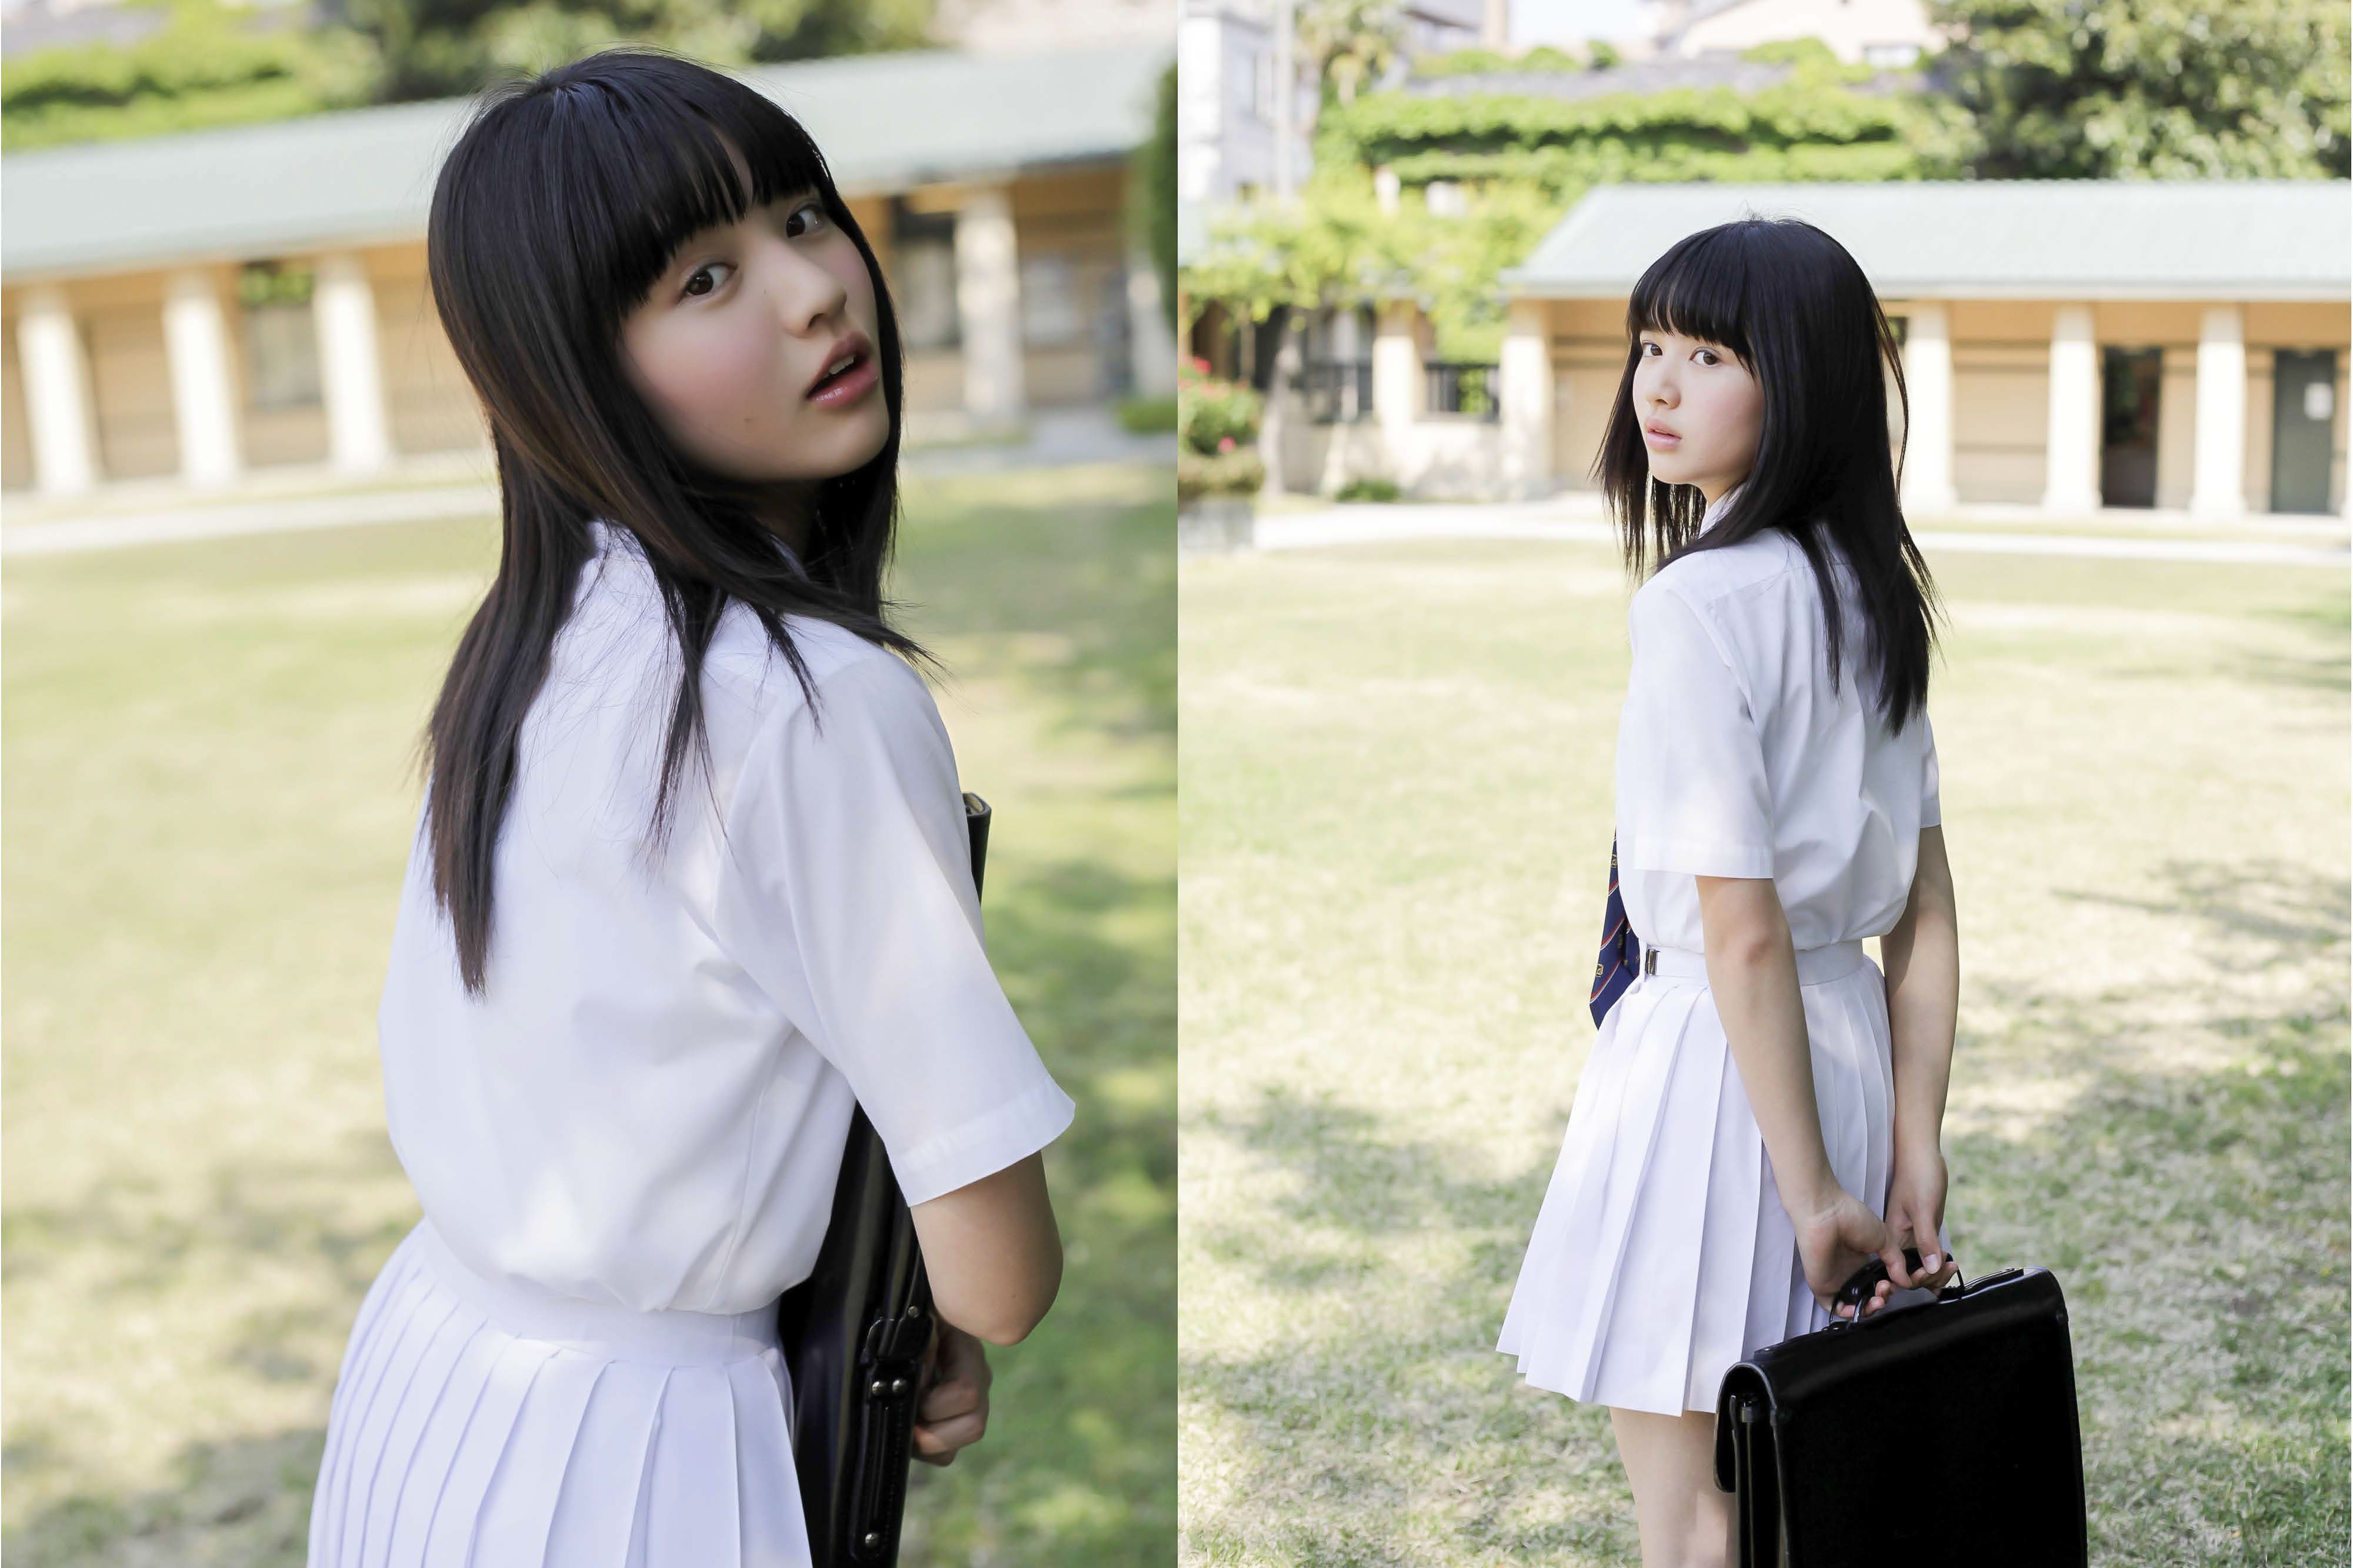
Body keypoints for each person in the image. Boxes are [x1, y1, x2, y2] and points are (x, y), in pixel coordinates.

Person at [305, 48, 1074, 1566]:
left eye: (802, 217)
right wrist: (932, 1311)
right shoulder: (811, 701)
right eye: (704, 279)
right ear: (574, 375)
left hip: (435, 1389)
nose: (814, 293)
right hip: (642, 1466)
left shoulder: (537, 635)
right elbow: (1000, 1273)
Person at [1494, 217, 1963, 1568]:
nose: (1657, 384)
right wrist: (1908, 1140)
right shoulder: (1876, 598)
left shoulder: (1698, 606)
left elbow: (1735, 925)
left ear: (1801, 383)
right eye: (1649, 346)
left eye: (1707, 353)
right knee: (1801, 1489)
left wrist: (1815, 1193)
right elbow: (1922, 917)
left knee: (1698, 1512)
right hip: (1846, 1060)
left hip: (1718, 1073)